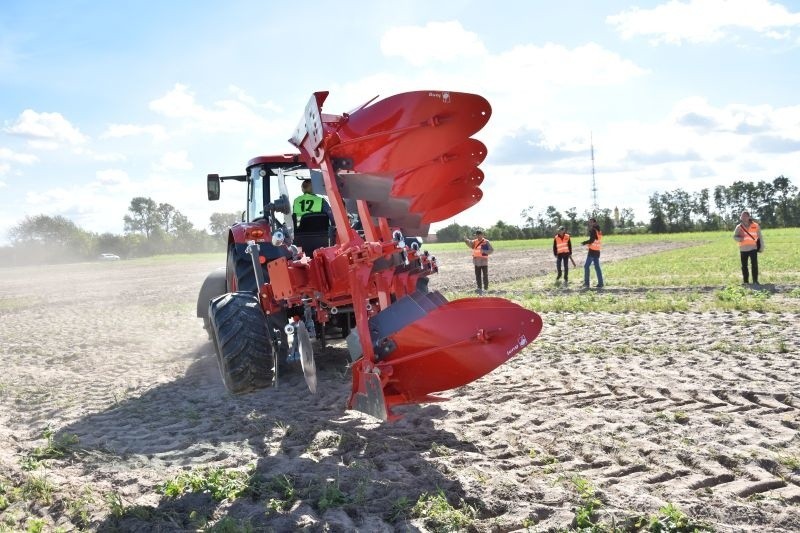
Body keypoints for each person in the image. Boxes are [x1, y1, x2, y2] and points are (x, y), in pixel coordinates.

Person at [733, 210, 764, 285]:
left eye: (745, 216)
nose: (743, 218)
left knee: (754, 265)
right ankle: (746, 282)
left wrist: (762, 247)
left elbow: (760, 237)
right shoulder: (739, 227)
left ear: (749, 217)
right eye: (742, 216)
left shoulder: (755, 225)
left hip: (753, 248)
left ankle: (755, 281)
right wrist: (740, 239)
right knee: (744, 266)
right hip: (743, 249)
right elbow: (734, 236)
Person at [464, 229, 493, 294]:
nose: (478, 236)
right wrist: (466, 240)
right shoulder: (474, 241)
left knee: (485, 275)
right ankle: (479, 288)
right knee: (478, 275)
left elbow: (491, 250)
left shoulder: (486, 241)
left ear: (482, 235)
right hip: (477, 262)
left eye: (480, 235)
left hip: (484, 261)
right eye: (477, 235)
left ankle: (486, 288)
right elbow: (470, 244)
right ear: (476, 235)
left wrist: (484, 251)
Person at [581, 218, 604, 288]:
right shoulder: (599, 230)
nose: (590, 223)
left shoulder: (593, 230)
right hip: (597, 251)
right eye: (589, 222)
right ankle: (601, 283)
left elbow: (591, 240)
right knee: (597, 267)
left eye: (591, 222)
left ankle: (587, 283)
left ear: (594, 223)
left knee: (586, 266)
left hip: (592, 251)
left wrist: (584, 242)